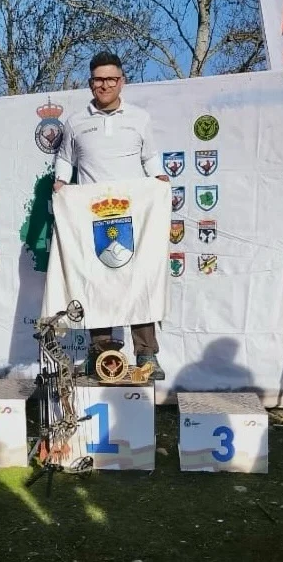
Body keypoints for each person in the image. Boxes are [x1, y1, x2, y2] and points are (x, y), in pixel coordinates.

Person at [52, 51, 168, 380]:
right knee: (96, 283)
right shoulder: (75, 122)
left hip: (132, 218)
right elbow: (65, 159)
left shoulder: (140, 118)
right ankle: (102, 355)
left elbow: (151, 158)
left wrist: (159, 180)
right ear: (90, 83)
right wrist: (60, 183)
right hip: (93, 219)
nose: (105, 85)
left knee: (139, 280)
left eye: (111, 79)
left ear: (122, 82)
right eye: (98, 80)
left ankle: (147, 356)